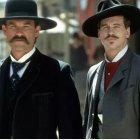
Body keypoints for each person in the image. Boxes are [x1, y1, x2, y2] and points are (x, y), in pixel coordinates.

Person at [0, 0, 83, 139]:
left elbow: (71, 132)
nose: (19, 33)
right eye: (13, 26)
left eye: (26, 26)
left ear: (37, 30)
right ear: (5, 30)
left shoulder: (58, 72)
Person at [82, 0, 140, 139]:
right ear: (99, 33)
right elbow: (88, 123)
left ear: (127, 31)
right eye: (105, 27)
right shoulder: (93, 72)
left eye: (116, 26)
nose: (110, 32)